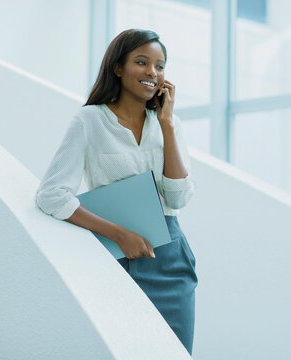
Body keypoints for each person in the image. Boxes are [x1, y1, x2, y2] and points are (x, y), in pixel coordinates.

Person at [35, 29, 198, 355]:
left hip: (171, 259)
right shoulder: (89, 121)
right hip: (116, 257)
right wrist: (119, 234)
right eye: (142, 62)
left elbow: (178, 198)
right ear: (118, 67)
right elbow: (52, 194)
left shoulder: (170, 124)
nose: (153, 72)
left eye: (160, 66)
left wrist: (166, 125)